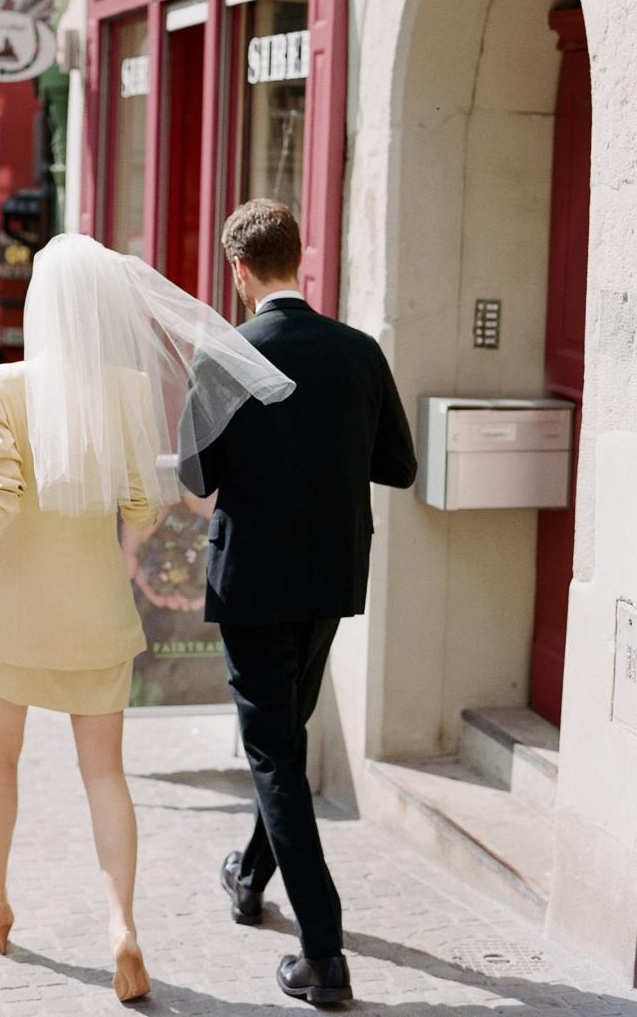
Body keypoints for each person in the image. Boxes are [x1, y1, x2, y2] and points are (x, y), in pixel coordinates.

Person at [0, 233, 294, 1003]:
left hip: (19, 607)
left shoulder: (1, 383)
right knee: (105, 773)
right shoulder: (124, 389)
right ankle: (121, 924)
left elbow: (3, 503)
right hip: (96, 608)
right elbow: (142, 506)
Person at [178, 199, 417, 1009]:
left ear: (238, 269)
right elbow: (400, 465)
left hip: (252, 586)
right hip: (329, 581)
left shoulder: (226, 357)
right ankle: (248, 876)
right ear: (299, 260)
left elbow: (196, 476)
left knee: (276, 753)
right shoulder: (358, 351)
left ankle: (324, 951)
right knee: (283, 740)